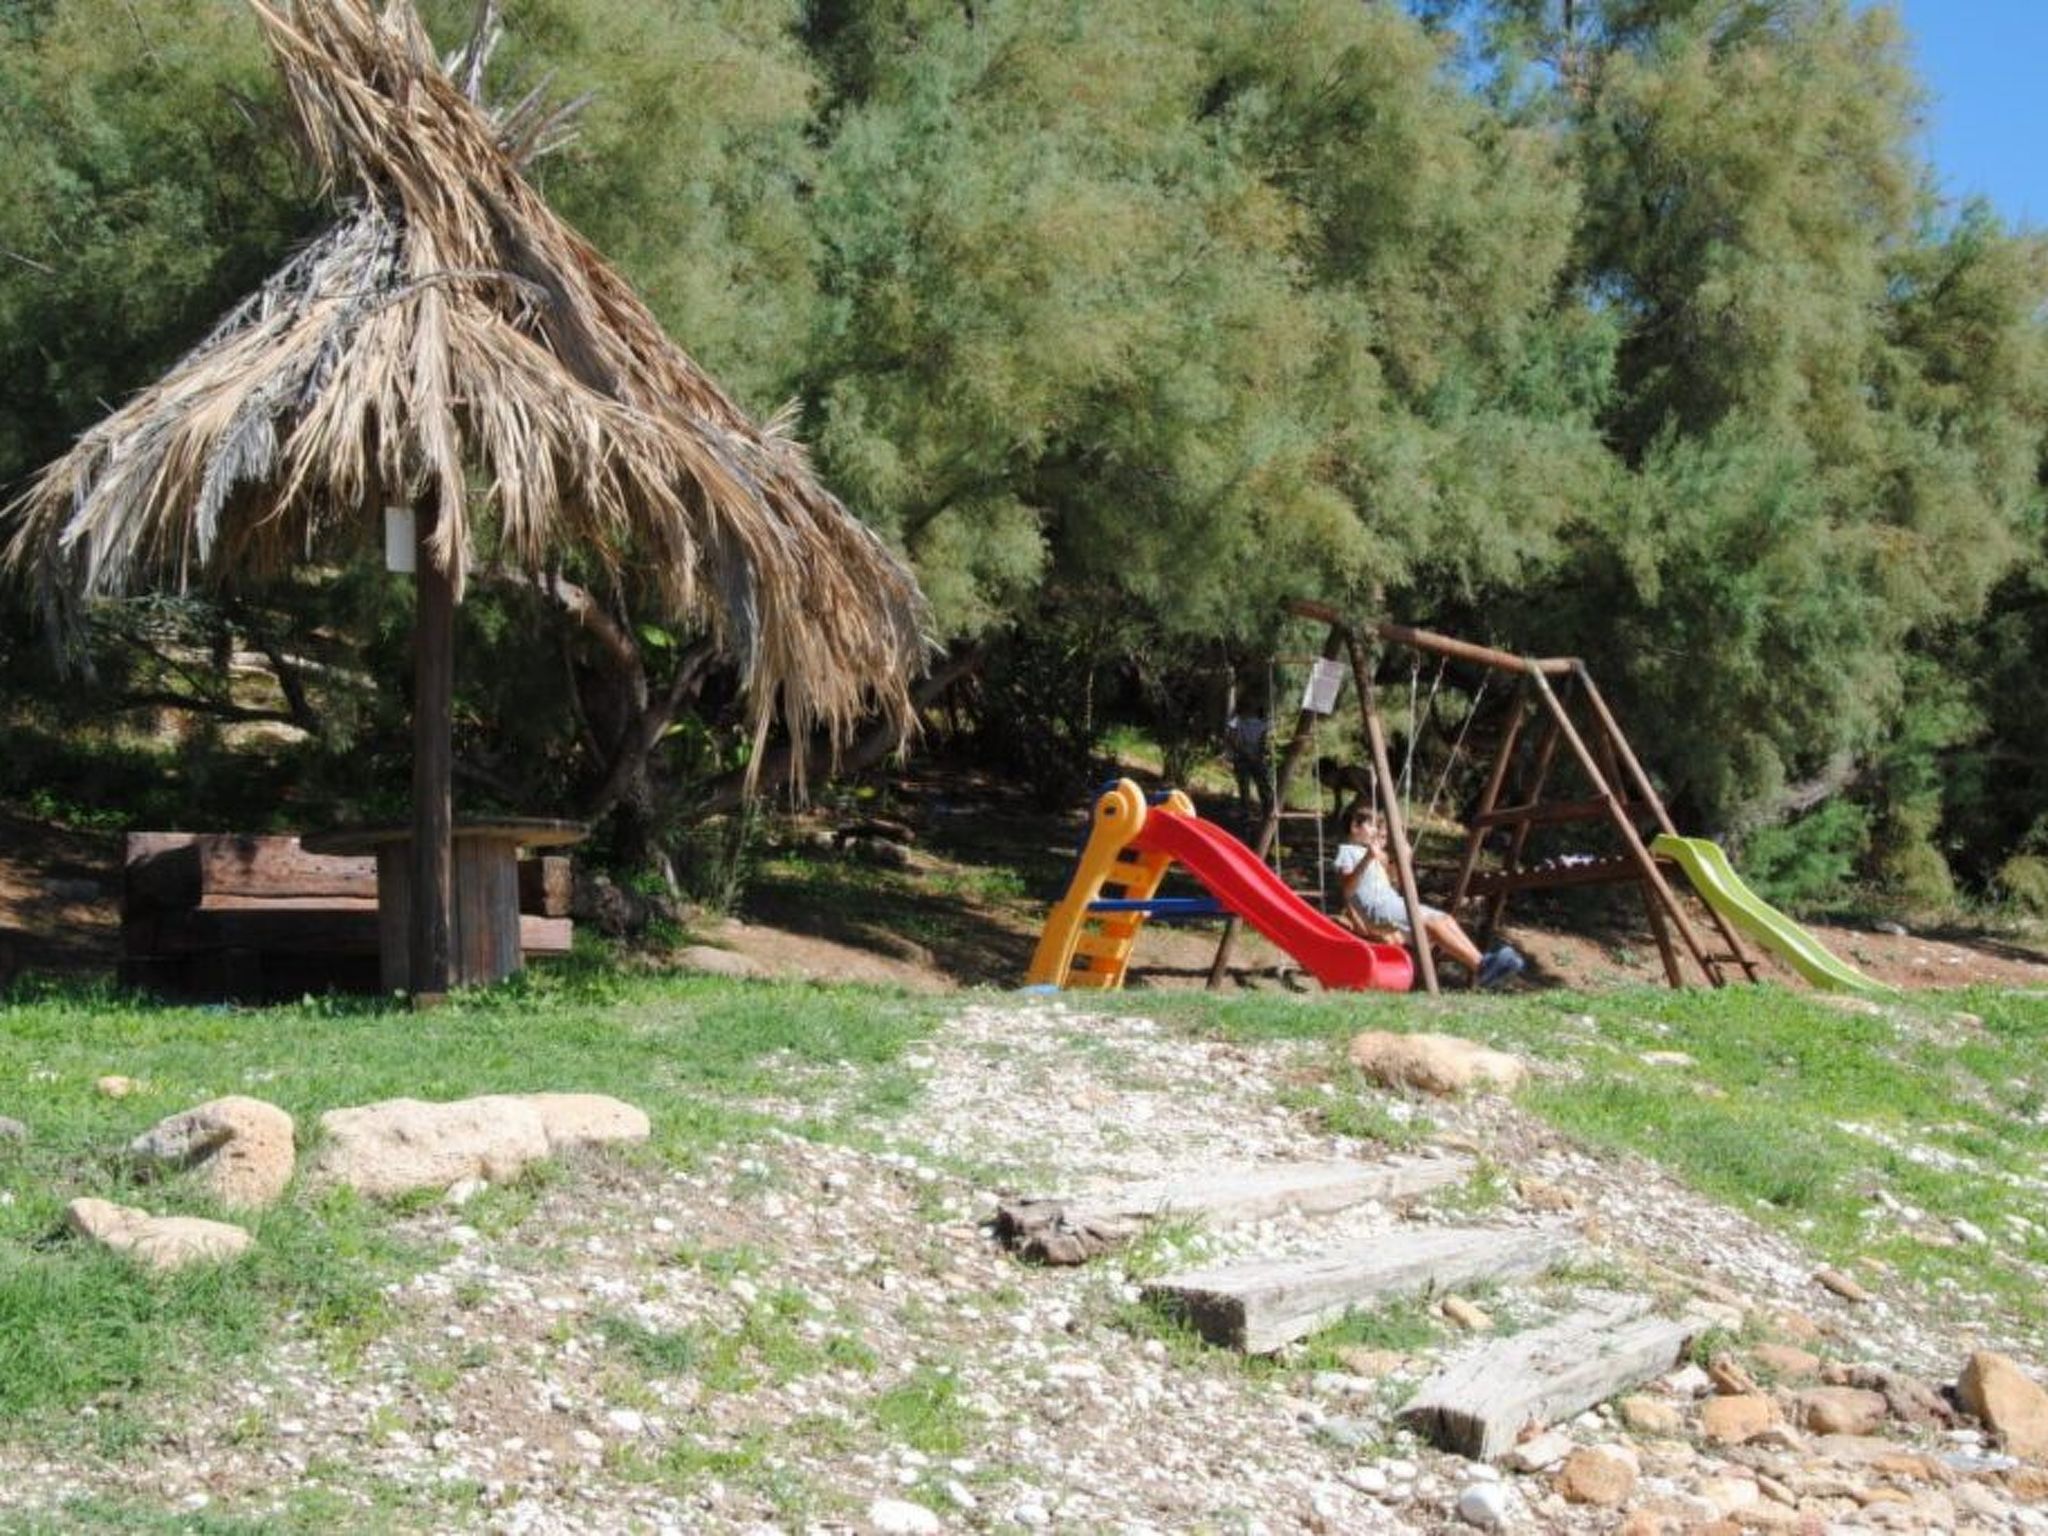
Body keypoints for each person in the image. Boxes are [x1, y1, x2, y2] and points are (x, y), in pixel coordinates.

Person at [1333, 807, 1524, 988]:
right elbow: (1347, 888)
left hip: (1392, 902)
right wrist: (1367, 858)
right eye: (1371, 825)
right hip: (1377, 910)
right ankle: (1481, 966)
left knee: (1444, 919)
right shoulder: (1346, 852)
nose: (1376, 831)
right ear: (1354, 827)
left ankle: (1483, 964)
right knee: (1433, 924)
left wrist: (1403, 859)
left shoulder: (1377, 855)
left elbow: (1397, 884)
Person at [1223, 710, 1275, 825]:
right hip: (1250, 758)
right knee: (1252, 785)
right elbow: (1264, 740)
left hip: (1247, 757)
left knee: (1256, 785)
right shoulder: (1242, 720)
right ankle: (1254, 812)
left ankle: (1265, 812)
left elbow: (1230, 737)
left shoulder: (1260, 721)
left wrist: (1243, 751)